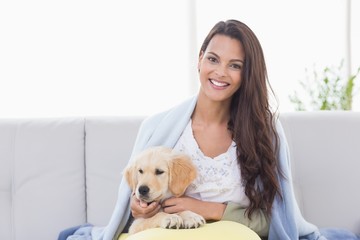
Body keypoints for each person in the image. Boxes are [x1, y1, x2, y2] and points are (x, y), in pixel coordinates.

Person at [60, 19, 359, 240]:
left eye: (235, 65)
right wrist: (140, 210)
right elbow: (133, 209)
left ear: (247, 74)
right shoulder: (158, 128)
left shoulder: (264, 132)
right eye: (213, 59)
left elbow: (274, 222)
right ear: (199, 59)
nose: (219, 72)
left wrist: (209, 209)